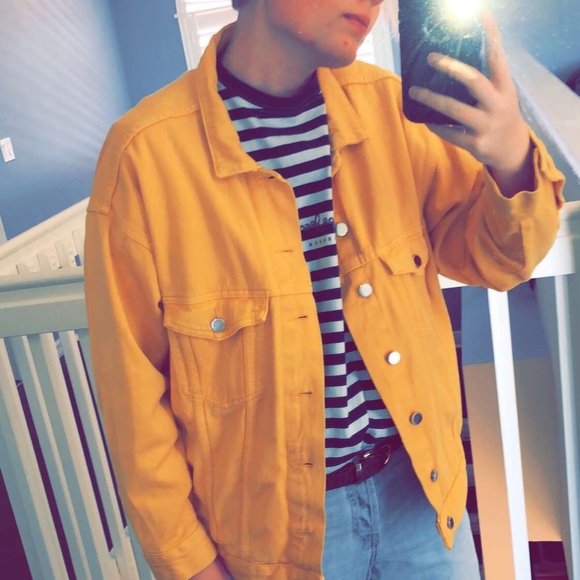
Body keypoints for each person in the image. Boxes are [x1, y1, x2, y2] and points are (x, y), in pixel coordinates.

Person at [84, 0, 565, 579]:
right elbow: (134, 400)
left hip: (422, 497)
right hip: (275, 538)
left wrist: (512, 159)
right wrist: (190, 563)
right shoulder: (145, 157)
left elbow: (497, 259)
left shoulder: (388, 109)